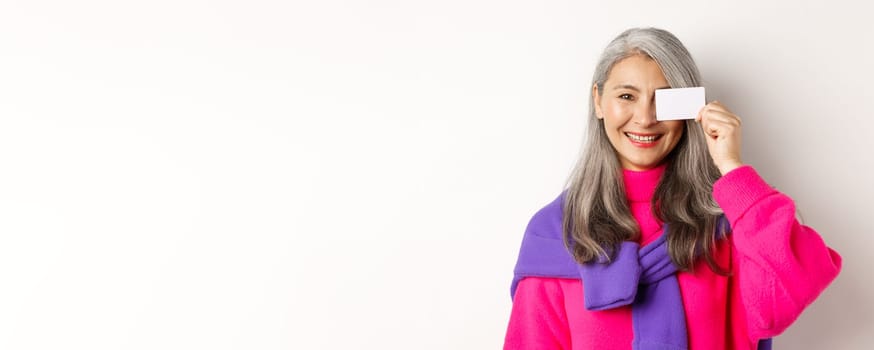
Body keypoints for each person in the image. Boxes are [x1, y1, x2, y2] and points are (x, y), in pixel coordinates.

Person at [503, 27, 842, 350]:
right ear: (598, 101)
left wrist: (731, 167)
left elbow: (789, 288)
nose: (645, 118)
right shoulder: (554, 233)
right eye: (626, 96)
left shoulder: (726, 224)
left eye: (663, 99)